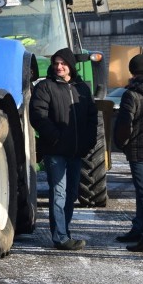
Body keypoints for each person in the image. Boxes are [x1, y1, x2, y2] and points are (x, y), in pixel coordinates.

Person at [30, 47, 98, 251]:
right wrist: (55, 137)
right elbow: (37, 115)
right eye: (56, 63)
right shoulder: (45, 87)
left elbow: (92, 118)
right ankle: (60, 236)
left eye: (63, 63)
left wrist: (89, 141)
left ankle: (64, 231)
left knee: (71, 194)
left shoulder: (82, 89)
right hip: (56, 151)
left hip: (76, 152)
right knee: (58, 192)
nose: (59, 67)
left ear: (71, 66)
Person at [113, 54, 143, 253]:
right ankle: (139, 229)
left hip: (140, 152)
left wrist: (122, 144)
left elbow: (124, 126)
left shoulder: (132, 94)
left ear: (133, 72)